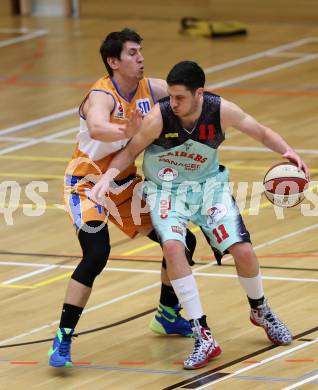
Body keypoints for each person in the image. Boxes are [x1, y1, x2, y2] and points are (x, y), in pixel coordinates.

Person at [91, 61, 309, 370]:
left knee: (243, 249)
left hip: (209, 186)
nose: (173, 103)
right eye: (172, 96)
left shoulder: (221, 110)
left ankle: (260, 309)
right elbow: (129, 152)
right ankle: (202, 333)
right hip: (166, 190)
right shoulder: (159, 116)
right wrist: (105, 179)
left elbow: (260, 132)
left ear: (199, 94)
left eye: (180, 97)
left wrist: (288, 152)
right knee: (172, 247)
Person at [48, 29, 198, 368]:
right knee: (96, 252)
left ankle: (166, 313)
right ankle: (62, 337)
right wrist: (127, 132)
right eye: (132, 53)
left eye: (140, 51)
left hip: (125, 184)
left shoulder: (153, 88)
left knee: (182, 239)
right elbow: (99, 127)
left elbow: (189, 96)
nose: (140, 57)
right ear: (114, 62)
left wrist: (209, 107)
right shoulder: (100, 96)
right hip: (88, 184)